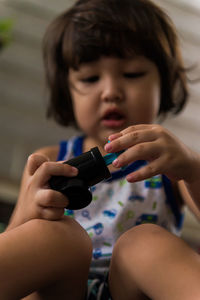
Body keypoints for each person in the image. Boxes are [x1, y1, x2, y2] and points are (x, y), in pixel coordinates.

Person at [5, 0, 200, 299]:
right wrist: (31, 212)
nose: (111, 91)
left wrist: (193, 170)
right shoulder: (51, 160)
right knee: (58, 237)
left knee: (143, 243)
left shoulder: (168, 164)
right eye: (90, 79)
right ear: (66, 91)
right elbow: (14, 241)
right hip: (60, 289)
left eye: (132, 74)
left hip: (132, 290)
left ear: (165, 83)